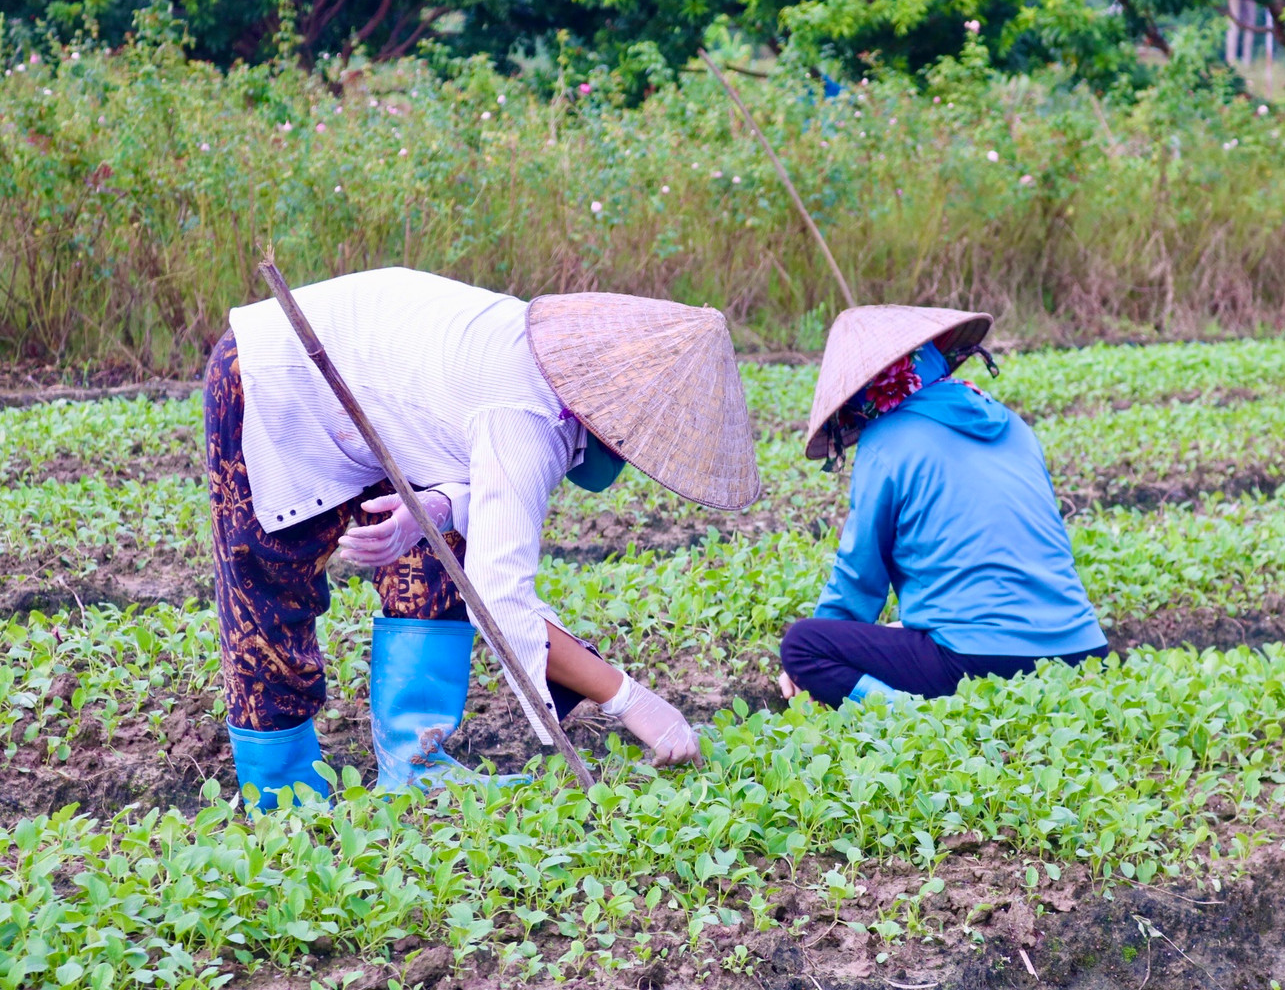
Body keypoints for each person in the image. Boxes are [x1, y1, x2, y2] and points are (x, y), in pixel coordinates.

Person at [204, 267, 761, 804]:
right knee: (269, 590)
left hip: (372, 376)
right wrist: (629, 699)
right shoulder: (526, 415)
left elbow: (476, 462)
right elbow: (499, 601)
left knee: (434, 559)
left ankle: (415, 764)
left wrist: (438, 507)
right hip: (276, 374)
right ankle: (280, 795)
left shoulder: (546, 378)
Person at [779, 305, 1107, 707]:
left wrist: (806, 666)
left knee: (803, 644)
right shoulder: (1014, 425)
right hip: (1084, 653)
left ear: (863, 394)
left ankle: (915, 717)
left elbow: (858, 577)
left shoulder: (885, 441)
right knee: (907, 630)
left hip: (977, 660)